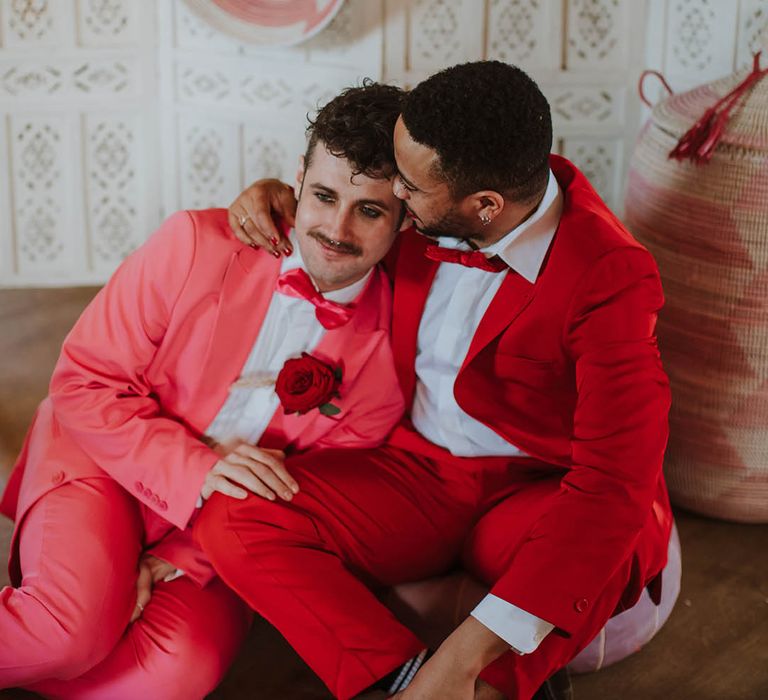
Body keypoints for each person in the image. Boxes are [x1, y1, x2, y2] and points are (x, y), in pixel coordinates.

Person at [196, 61, 673, 700]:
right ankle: (395, 679)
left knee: (626, 535)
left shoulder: (612, 275)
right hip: (416, 470)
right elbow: (338, 223)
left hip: (533, 486)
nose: (394, 191)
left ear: (483, 206)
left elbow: (614, 479)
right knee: (235, 513)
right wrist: (279, 196)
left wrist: (466, 658)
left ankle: (486, 688)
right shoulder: (429, 207)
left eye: (409, 187)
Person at [0, 82, 409, 698]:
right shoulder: (194, 243)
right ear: (297, 180)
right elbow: (84, 383)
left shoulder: (388, 357)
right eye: (323, 196)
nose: (337, 229)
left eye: (370, 211)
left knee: (177, 673)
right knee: (69, 633)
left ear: (405, 219)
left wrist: (194, 551)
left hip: (220, 536)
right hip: (101, 461)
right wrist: (195, 471)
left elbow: (315, 498)